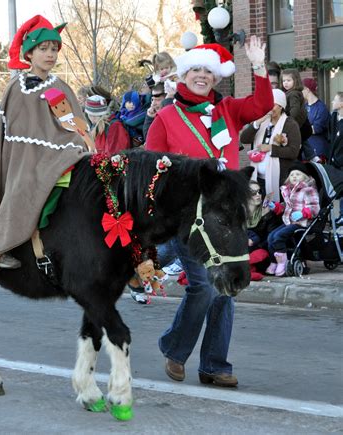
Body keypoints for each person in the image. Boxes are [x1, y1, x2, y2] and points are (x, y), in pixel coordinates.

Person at [146, 36, 273, 387]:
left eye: (208, 71)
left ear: (216, 78)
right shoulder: (166, 118)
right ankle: (175, 347)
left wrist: (259, 66)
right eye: (195, 70)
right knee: (203, 287)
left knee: (225, 286)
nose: (202, 76)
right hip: (188, 218)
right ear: (184, 76)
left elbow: (262, 104)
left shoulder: (228, 110)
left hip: (226, 215)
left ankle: (214, 365)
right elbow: (152, 169)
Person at [0, 15, 93, 293]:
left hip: (56, 154)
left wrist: (83, 143)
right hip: (19, 158)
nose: (50, 54)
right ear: (29, 53)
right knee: (23, 184)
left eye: (54, 49)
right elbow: (7, 134)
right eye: (44, 49)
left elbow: (73, 126)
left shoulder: (59, 88)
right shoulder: (15, 87)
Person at [240, 88, 301, 202]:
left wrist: (271, 148)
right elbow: (244, 139)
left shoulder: (290, 124)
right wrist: (257, 123)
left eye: (272, 105)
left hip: (278, 178)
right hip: (258, 177)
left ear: (281, 106)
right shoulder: (262, 121)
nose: (269, 108)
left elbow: (293, 152)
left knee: (275, 210)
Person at [265, 162, 320, 276]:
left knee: (278, 236)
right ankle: (274, 262)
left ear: (304, 177)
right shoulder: (288, 190)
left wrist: (303, 213)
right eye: (292, 175)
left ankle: (283, 263)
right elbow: (287, 207)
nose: (294, 176)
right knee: (271, 237)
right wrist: (276, 207)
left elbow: (315, 208)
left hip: (301, 222)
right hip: (289, 221)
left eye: (297, 174)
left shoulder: (308, 190)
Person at [280, 68, 312, 145]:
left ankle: (311, 156)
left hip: (298, 124)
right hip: (299, 124)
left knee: (297, 145)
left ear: (296, 81)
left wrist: (288, 120)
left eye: (288, 80)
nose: (285, 83)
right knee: (302, 144)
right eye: (284, 81)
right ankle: (311, 156)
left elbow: (295, 109)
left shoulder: (293, 94)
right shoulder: (291, 93)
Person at [302, 78, 330, 162]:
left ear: (307, 89)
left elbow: (315, 129)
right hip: (305, 151)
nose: (300, 92)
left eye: (301, 89)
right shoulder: (304, 106)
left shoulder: (321, 108)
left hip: (317, 151)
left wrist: (298, 129)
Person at [328, 92, 343, 225]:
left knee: (341, 192)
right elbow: (331, 137)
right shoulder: (333, 117)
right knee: (335, 193)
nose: (333, 102)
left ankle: (340, 220)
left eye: (335, 100)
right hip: (332, 162)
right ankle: (336, 219)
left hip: (341, 163)